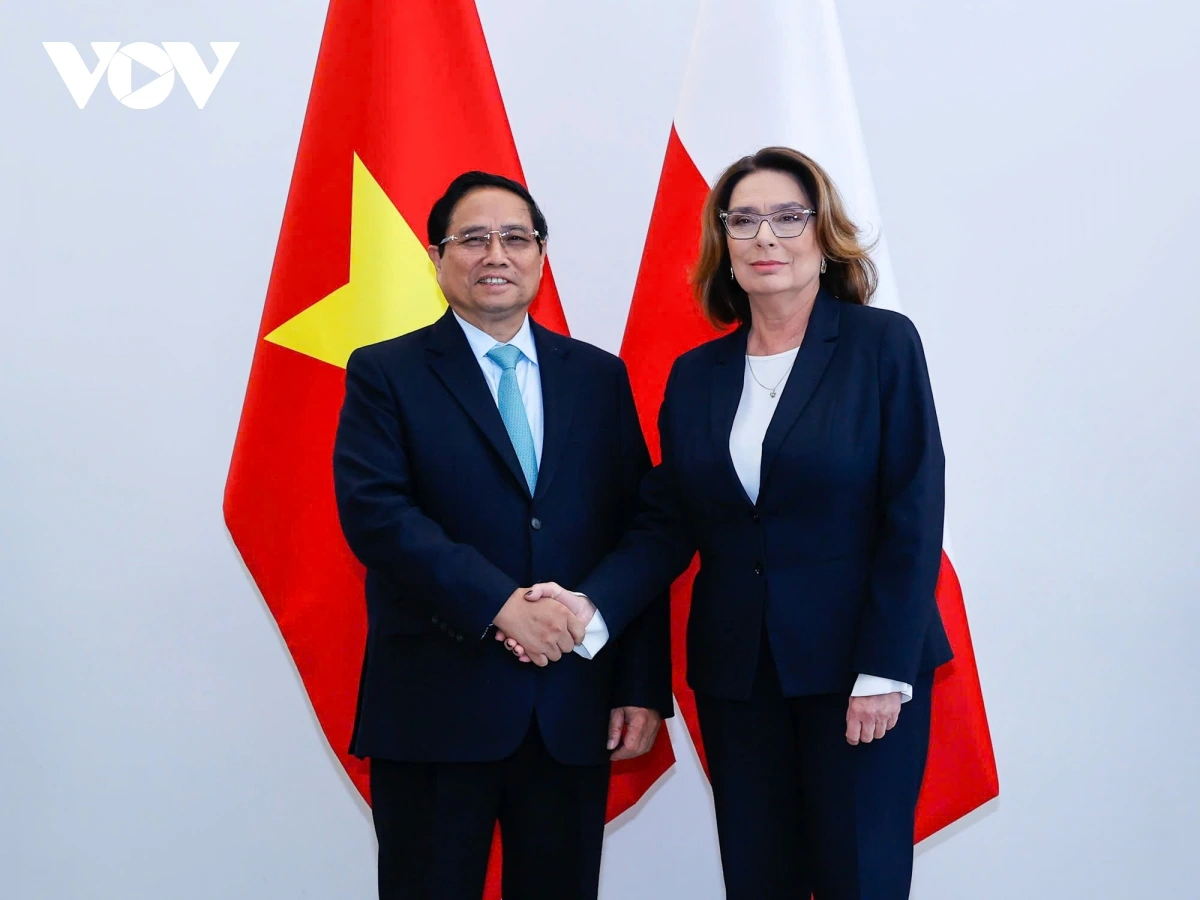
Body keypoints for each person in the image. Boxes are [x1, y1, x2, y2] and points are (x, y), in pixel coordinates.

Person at [507, 147, 953, 899]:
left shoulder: (882, 345)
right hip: (739, 681)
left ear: (823, 235)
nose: (765, 237)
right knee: (757, 880)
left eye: (787, 217)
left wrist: (886, 669)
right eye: (743, 220)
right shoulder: (696, 375)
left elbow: (912, 512)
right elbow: (666, 523)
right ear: (724, 243)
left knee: (861, 879)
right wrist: (590, 606)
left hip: (859, 675)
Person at [332, 171, 671, 900]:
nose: (496, 254)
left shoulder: (598, 377)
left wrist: (640, 684)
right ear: (436, 256)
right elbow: (377, 515)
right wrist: (500, 605)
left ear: (541, 256)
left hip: (570, 709)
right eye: (473, 238)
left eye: (516, 237)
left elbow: (641, 530)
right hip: (435, 709)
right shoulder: (386, 373)